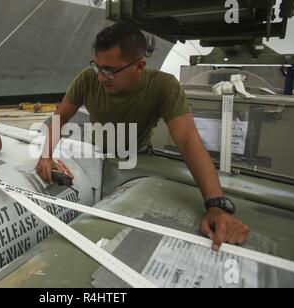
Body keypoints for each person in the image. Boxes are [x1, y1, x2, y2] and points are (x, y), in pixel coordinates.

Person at [36, 22, 249, 251]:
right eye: (97, 67)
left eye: (109, 70)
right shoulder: (88, 79)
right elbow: (61, 117)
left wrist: (216, 205)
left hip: (138, 160)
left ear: (139, 66)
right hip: (98, 158)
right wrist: (45, 156)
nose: (100, 77)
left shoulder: (163, 86)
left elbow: (187, 139)